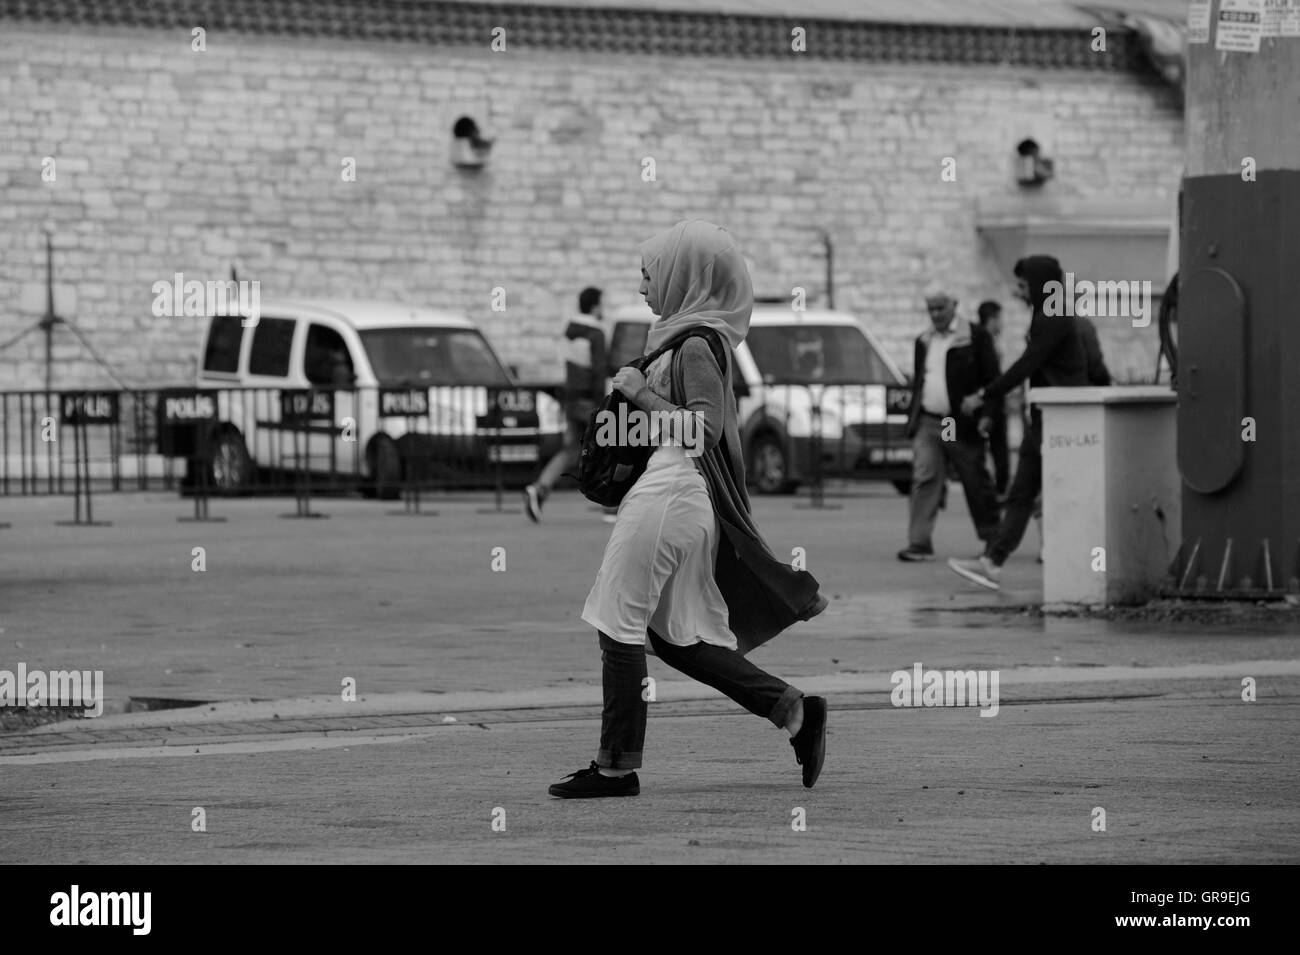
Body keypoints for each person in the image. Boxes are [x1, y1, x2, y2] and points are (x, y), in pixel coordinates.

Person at [548, 219, 829, 799]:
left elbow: (700, 428)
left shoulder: (698, 343)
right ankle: (793, 710)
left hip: (672, 492)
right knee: (674, 636)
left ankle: (616, 768)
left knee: (616, 621)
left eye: (650, 275)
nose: (645, 287)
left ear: (684, 277)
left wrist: (637, 393)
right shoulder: (683, 336)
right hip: (678, 496)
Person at [948, 255, 1089, 590]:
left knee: (1059, 494)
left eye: (1024, 286)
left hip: (1060, 420)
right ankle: (992, 562)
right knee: (1023, 493)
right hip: (1044, 418)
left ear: (1040, 284)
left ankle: (1078, 567)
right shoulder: (1049, 313)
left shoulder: (1053, 315)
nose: (1019, 292)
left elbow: (1027, 364)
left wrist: (984, 394)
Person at [897, 290, 1002, 562]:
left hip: (957, 422)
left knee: (973, 477)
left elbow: (993, 378)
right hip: (930, 419)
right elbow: (921, 378)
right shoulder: (924, 340)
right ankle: (918, 542)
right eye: (930, 309)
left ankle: (993, 538)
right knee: (925, 476)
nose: (935, 314)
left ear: (954, 305)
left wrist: (987, 412)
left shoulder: (976, 336)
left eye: (940, 308)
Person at [523, 287, 606, 522]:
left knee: (572, 450)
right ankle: (613, 502)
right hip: (589, 400)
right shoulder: (596, 334)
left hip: (570, 398)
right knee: (612, 444)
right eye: (602, 304)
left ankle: (539, 489)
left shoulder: (570, 331)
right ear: (595, 306)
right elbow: (598, 371)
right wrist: (603, 405)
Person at [976, 300, 1010, 497]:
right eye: (1000, 319)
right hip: (991, 400)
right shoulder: (987, 341)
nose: (1002, 323)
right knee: (998, 448)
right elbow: (994, 376)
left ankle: (994, 487)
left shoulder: (985, 338)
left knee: (989, 447)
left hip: (987, 398)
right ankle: (999, 488)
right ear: (992, 319)